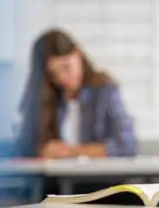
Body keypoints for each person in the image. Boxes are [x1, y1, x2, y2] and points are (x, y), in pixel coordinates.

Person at [13, 29, 138, 158]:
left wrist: (70, 151)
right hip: (55, 177)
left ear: (78, 54)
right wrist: (42, 151)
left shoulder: (105, 91)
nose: (62, 78)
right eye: (53, 74)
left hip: (97, 177)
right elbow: (23, 149)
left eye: (66, 66)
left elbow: (127, 146)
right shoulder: (48, 97)